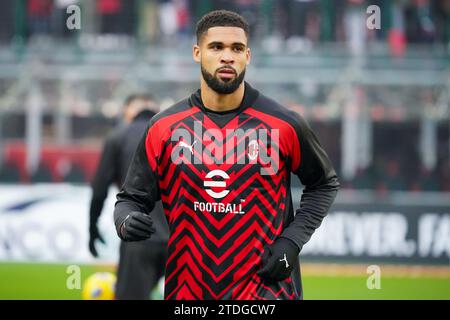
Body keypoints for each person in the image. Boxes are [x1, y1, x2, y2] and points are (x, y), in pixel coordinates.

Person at [114, 10, 339, 300]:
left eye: (236, 49)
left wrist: (291, 242)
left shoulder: (285, 124)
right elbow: (131, 198)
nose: (227, 56)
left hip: (265, 293)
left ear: (248, 56)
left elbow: (324, 184)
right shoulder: (163, 128)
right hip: (189, 296)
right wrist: (126, 219)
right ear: (197, 53)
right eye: (216, 47)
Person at [89, 94, 169, 300]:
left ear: (127, 113)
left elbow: (99, 190)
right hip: (181, 239)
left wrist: (92, 228)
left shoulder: (118, 136)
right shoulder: (178, 135)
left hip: (138, 237)